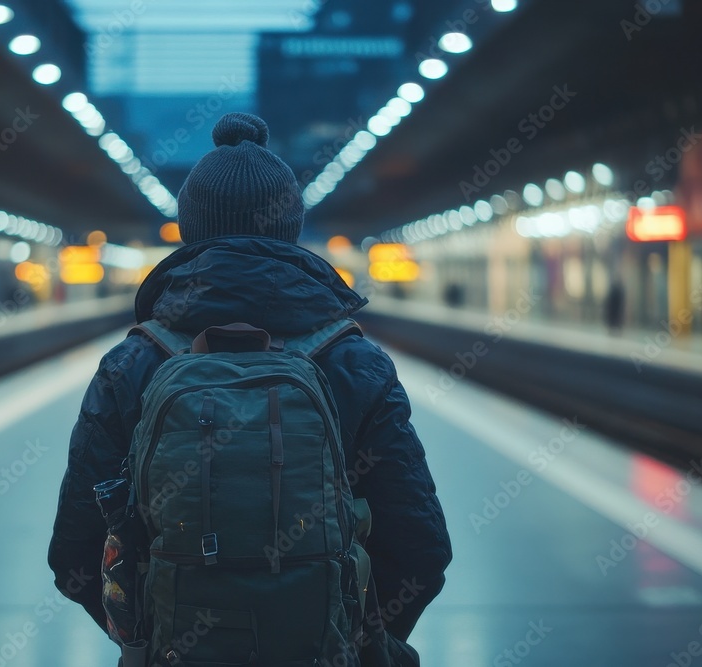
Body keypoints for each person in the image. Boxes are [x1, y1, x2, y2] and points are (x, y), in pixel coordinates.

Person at [48, 112, 452, 666]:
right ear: (289, 228)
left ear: (191, 230)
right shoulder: (354, 361)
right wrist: (353, 640)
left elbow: (76, 554)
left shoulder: (134, 362)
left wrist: (151, 641)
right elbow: (419, 549)